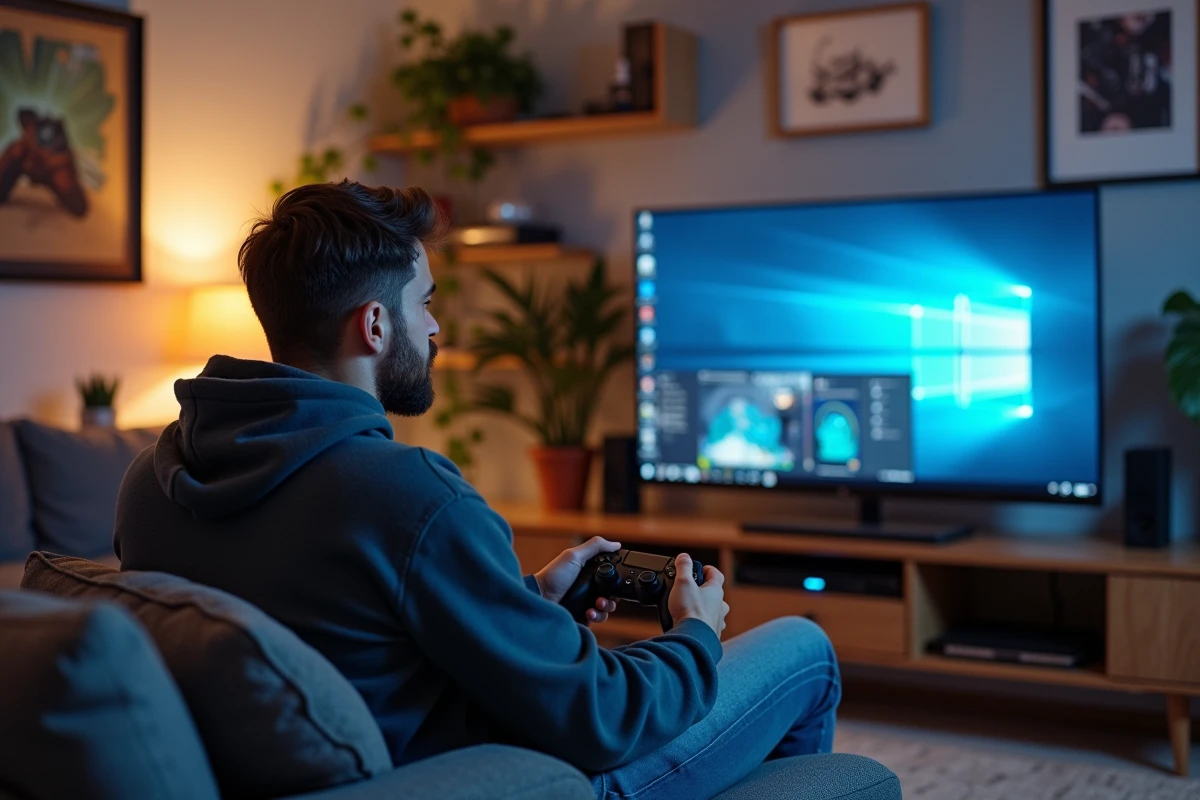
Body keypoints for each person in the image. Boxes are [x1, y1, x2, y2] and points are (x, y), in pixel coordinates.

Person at [114, 181, 841, 799]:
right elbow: (603, 716)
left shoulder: (151, 480)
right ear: (373, 325)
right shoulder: (406, 496)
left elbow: (347, 624)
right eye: (424, 303)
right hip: (506, 774)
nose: (433, 327)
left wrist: (520, 598)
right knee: (803, 647)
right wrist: (694, 633)